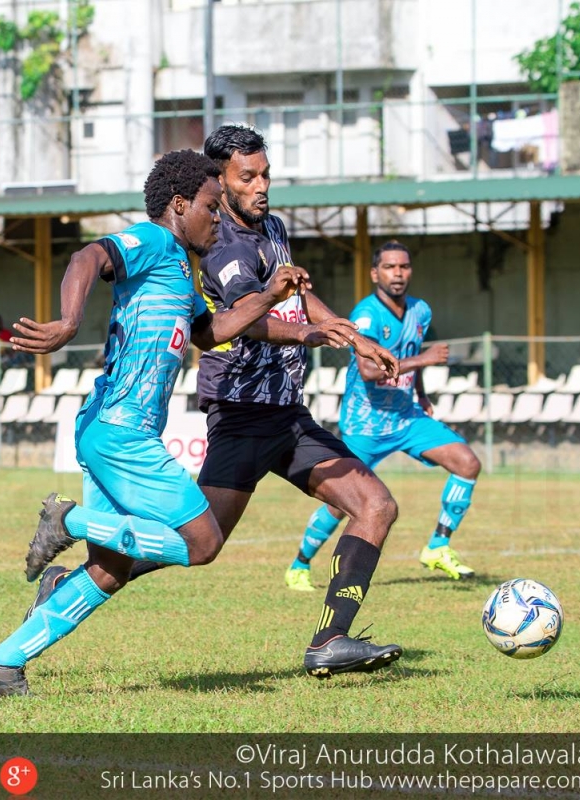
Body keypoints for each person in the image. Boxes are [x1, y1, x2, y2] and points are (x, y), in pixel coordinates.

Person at [0, 149, 311, 697]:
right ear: (179, 205)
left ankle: (1, 664)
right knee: (203, 543)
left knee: (109, 571)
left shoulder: (179, 268)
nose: (218, 218)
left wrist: (272, 297)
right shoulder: (152, 240)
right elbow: (88, 255)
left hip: (113, 428)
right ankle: (70, 520)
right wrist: (69, 322)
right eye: (211, 207)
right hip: (122, 429)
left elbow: (210, 332)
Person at [127, 124, 405, 679]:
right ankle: (82, 575)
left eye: (266, 174)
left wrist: (354, 337)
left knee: (375, 505)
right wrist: (307, 334)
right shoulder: (220, 243)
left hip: (288, 413)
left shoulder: (272, 226)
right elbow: (247, 318)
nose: (261, 187)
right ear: (219, 181)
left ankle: (330, 640)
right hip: (242, 412)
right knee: (197, 543)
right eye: (247, 177)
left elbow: (300, 297)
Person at [288, 241, 482, 583]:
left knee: (467, 463)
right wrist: (425, 360)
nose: (398, 273)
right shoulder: (367, 314)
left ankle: (437, 546)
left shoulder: (420, 311)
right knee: (339, 503)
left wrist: (421, 393)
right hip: (366, 425)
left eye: (403, 266)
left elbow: (409, 351)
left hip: (406, 417)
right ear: (375, 274)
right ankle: (300, 565)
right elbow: (369, 370)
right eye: (390, 267)